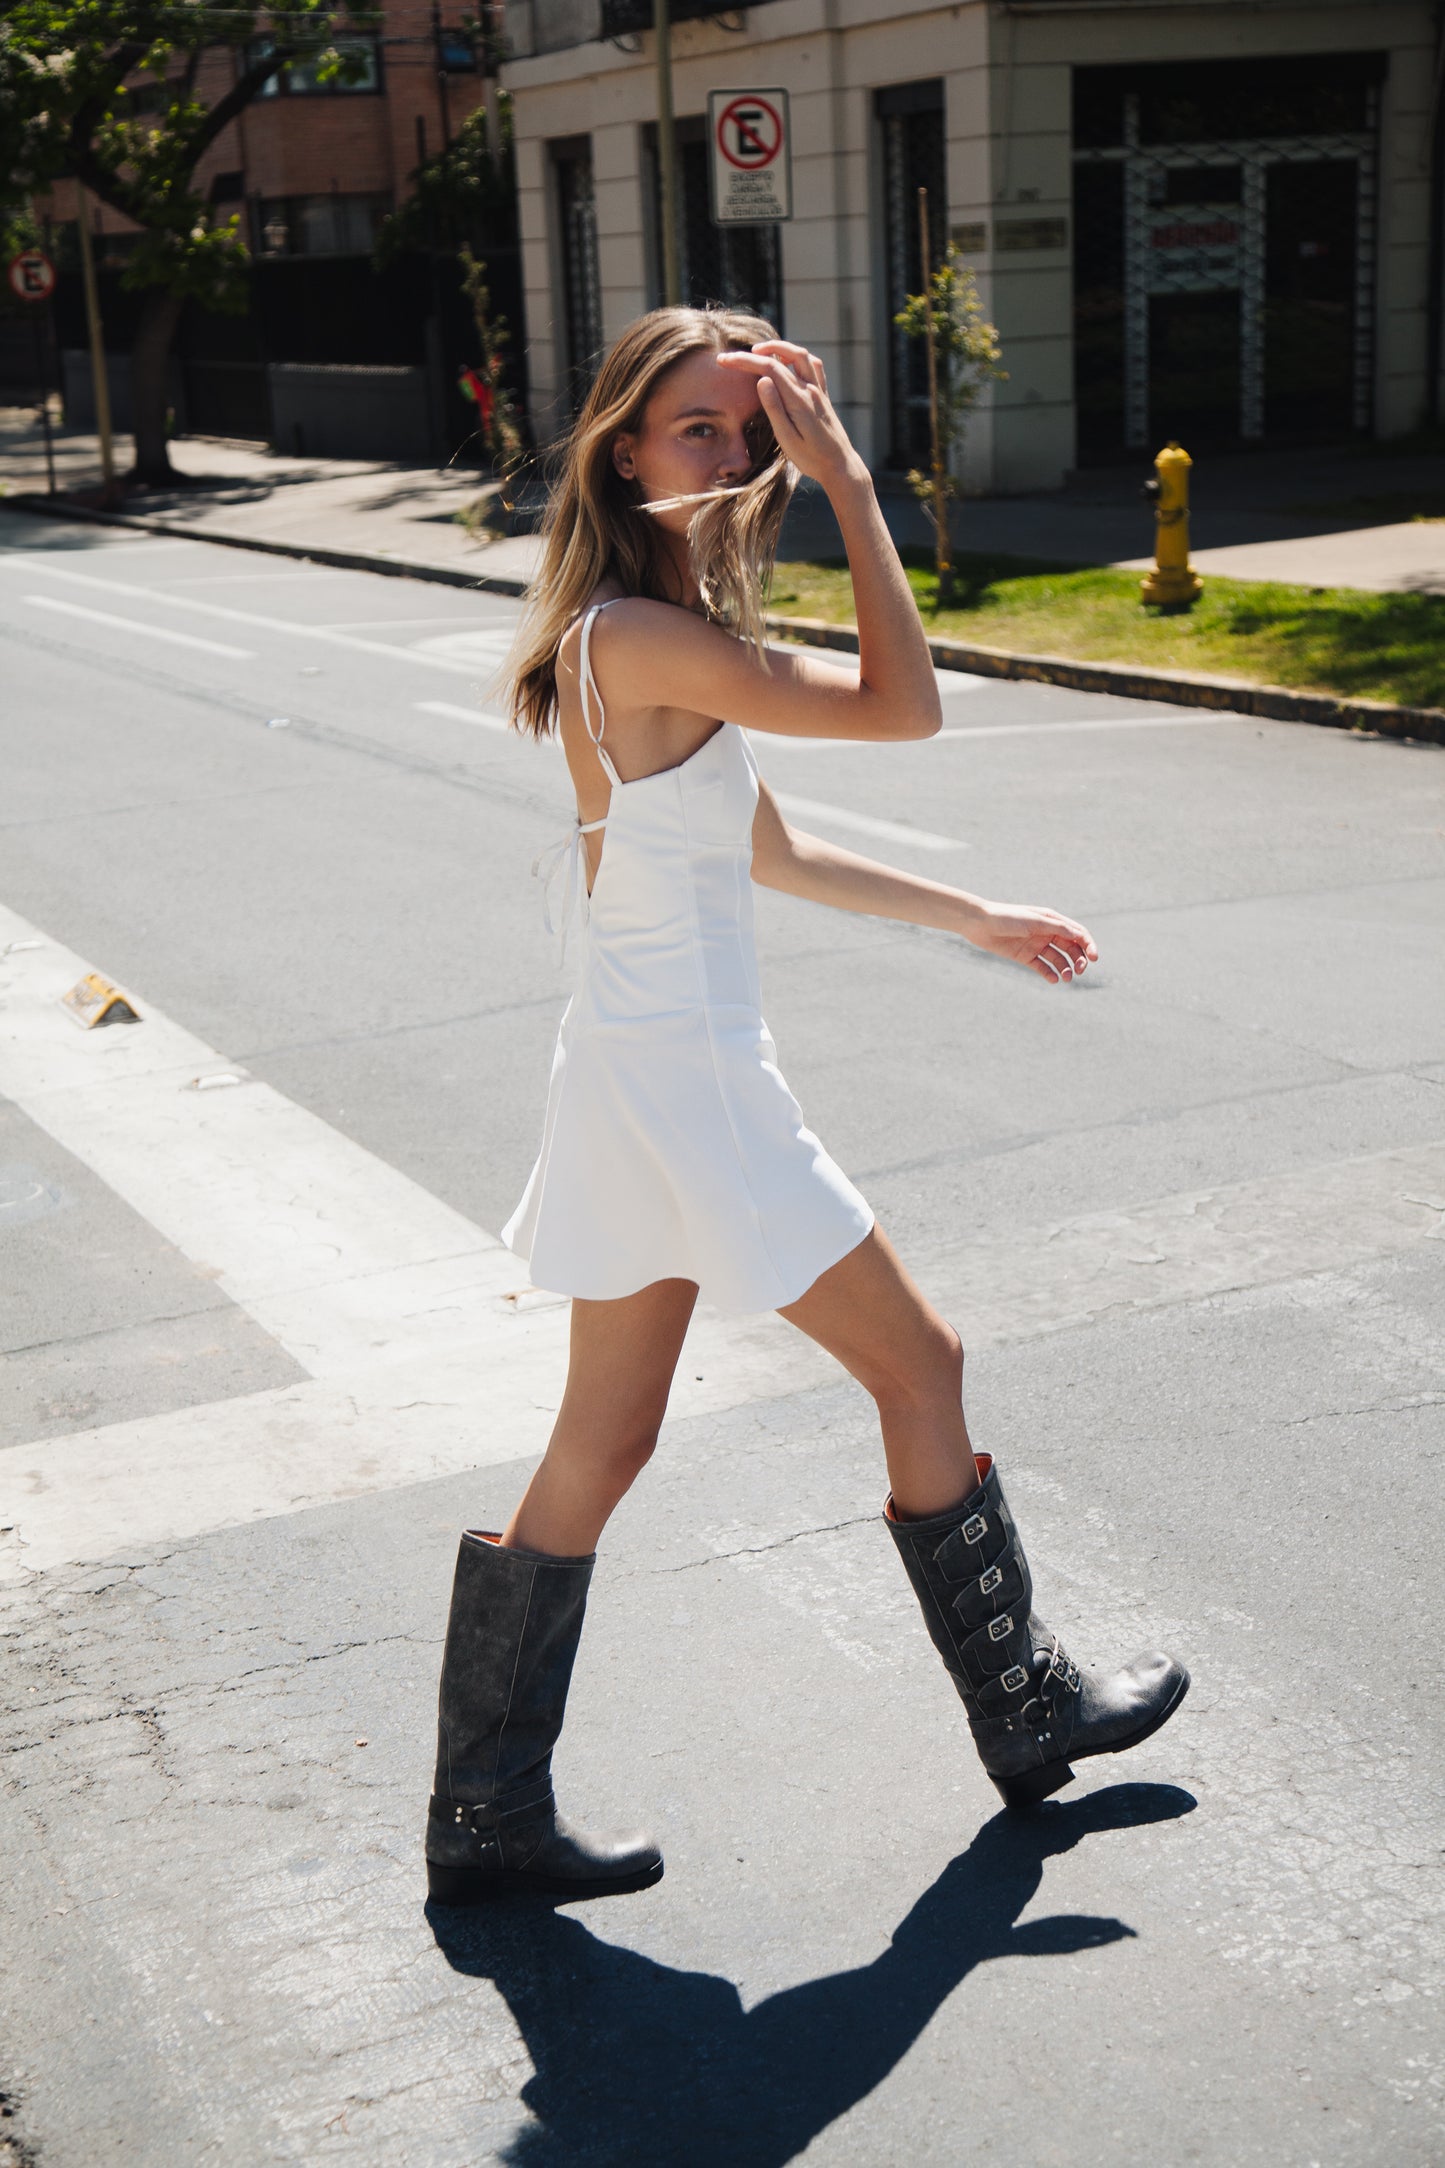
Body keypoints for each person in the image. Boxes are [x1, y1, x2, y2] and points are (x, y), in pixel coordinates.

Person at [424, 307, 1188, 1907]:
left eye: (743, 423)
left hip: (635, 1069)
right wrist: (851, 483)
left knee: (605, 1438)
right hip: (687, 1078)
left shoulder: (649, 624)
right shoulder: (634, 634)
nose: (730, 450)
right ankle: (1024, 1705)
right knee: (924, 1363)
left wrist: (968, 915)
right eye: (694, 427)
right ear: (624, 448)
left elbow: (764, 850)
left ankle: (484, 1816)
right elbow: (902, 708)